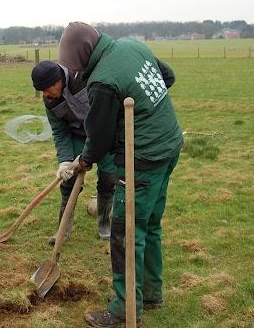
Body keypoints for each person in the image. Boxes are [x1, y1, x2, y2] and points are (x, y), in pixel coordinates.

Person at [56, 22, 182, 327]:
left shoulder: (102, 80)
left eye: (76, 66)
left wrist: (84, 160)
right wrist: (146, 110)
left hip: (143, 158)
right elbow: (167, 77)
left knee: (125, 233)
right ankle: (152, 293)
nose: (76, 72)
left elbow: (97, 139)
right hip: (170, 144)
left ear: (84, 55)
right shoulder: (132, 45)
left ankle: (125, 307)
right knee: (149, 224)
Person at [31, 60, 115, 244]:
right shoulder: (50, 100)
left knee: (108, 180)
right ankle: (63, 231)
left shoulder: (84, 78)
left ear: (58, 81)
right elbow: (60, 132)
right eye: (42, 91)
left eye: (46, 89)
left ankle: (104, 225)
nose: (45, 95)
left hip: (105, 135)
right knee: (68, 182)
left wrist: (92, 151)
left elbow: (105, 113)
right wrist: (64, 161)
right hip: (78, 136)